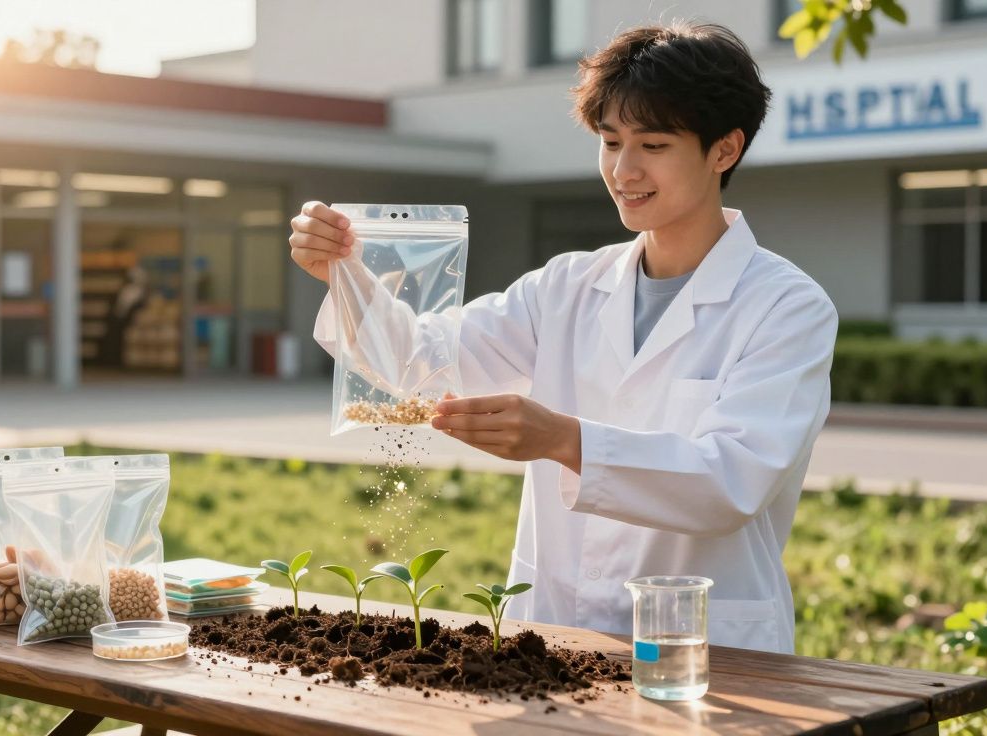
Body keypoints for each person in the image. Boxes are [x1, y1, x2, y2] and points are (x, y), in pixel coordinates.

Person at [289, 21, 837, 654]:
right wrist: (343, 271)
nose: (624, 170)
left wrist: (562, 439)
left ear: (724, 149)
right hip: (557, 635)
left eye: (653, 144)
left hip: (709, 647)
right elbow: (419, 363)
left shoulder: (786, 307)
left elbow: (731, 483)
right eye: (610, 142)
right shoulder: (567, 286)